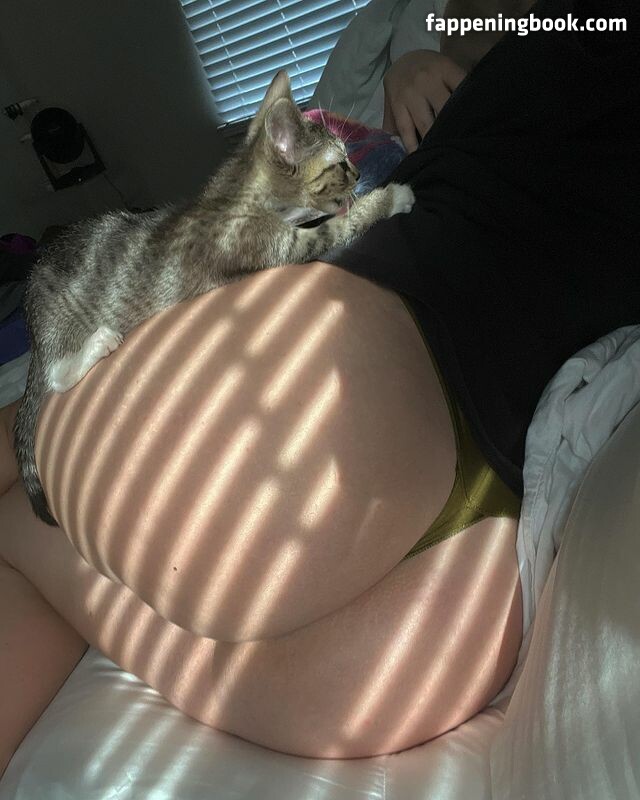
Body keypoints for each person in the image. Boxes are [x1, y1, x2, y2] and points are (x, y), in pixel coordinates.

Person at [1, 0, 638, 774]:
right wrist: (418, 65)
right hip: (474, 556)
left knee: (33, 478)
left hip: (402, 389)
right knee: (49, 518)